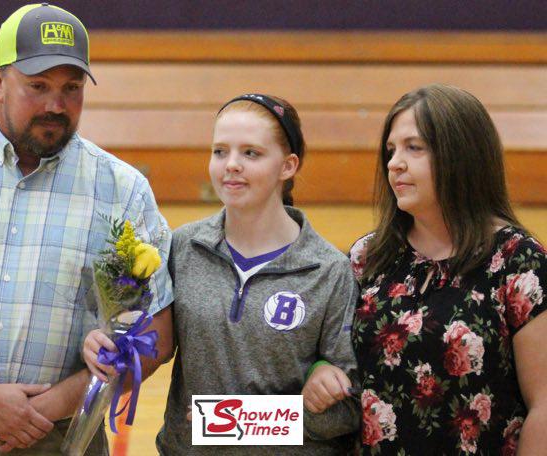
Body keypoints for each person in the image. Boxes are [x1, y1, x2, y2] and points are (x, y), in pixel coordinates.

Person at [0, 4, 173, 455]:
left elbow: (159, 332)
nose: (56, 105)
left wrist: (52, 406)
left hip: (65, 437)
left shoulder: (122, 190)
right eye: (37, 86)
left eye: (71, 88)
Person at [85, 93, 361, 453]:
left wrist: (230, 420)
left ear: (288, 166)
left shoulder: (330, 271)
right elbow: (150, 343)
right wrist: (106, 345)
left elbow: (349, 414)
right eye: (220, 151)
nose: (231, 164)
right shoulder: (182, 248)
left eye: (251, 153)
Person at [303, 83, 547, 454]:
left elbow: (543, 406)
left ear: (461, 155)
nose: (394, 163)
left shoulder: (518, 260)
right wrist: (318, 370)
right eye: (391, 150)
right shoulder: (366, 257)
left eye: (414, 148)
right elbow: (328, 361)